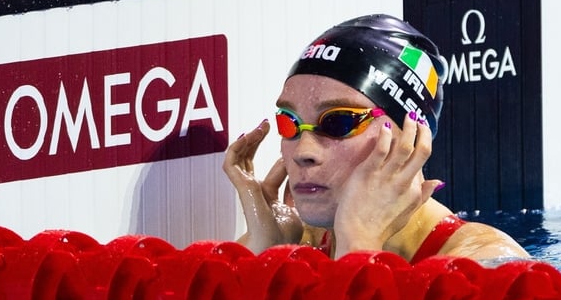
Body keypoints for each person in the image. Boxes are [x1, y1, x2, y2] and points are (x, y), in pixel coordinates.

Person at [223, 14, 529, 262]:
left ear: (412, 135)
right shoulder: (299, 240)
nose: (303, 151)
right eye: (289, 123)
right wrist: (263, 249)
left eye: (339, 122)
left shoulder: (487, 263)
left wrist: (359, 241)